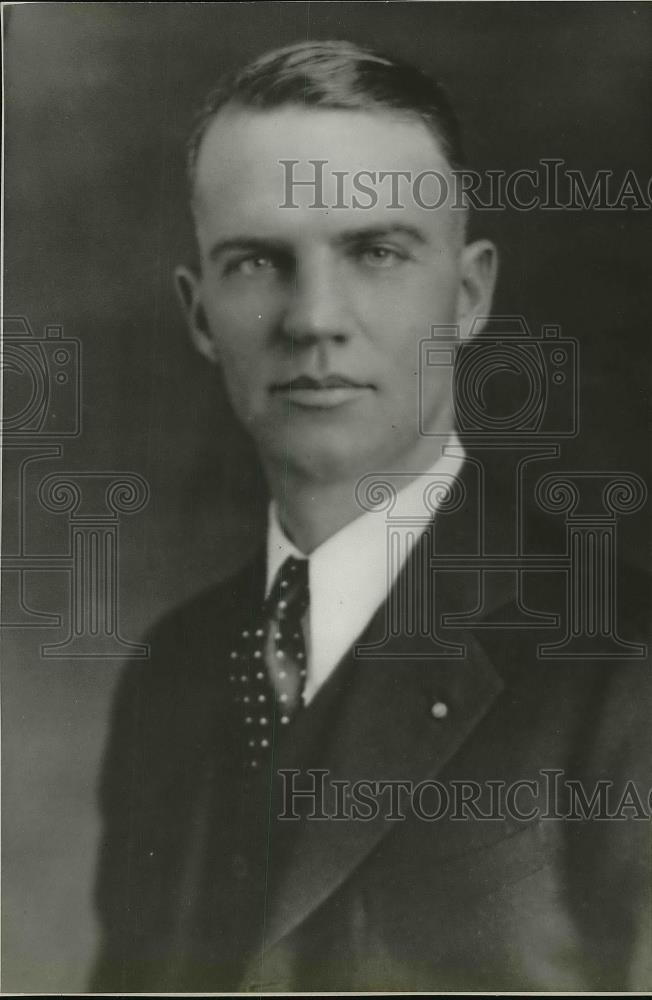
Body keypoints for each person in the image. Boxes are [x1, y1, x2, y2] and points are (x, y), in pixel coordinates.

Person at [91, 40, 651, 992]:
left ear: (467, 295)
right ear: (197, 315)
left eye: (377, 252)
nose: (314, 318)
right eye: (257, 261)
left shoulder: (622, 668)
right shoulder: (170, 673)